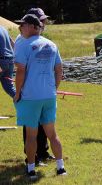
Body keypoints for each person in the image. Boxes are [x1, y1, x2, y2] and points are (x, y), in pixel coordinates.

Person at [13, 14, 66, 180]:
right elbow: (59, 70)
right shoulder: (52, 44)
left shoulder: (24, 45)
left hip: (30, 97)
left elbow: (20, 71)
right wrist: (54, 88)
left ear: (32, 27)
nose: (20, 28)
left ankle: (30, 170)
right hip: (49, 96)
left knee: (31, 136)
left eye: (23, 25)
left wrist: (17, 92)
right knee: (52, 134)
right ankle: (60, 168)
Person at [21, 7, 54, 164]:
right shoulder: (23, 39)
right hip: (29, 92)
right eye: (41, 20)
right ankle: (32, 157)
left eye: (44, 20)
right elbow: (21, 68)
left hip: (44, 90)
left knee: (44, 123)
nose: (44, 23)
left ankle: (43, 152)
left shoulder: (42, 39)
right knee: (30, 127)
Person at [0, 25, 15, 98]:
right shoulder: (3, 28)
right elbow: (12, 43)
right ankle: (24, 100)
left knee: (8, 86)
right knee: (9, 87)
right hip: (10, 60)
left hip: (1, 61)